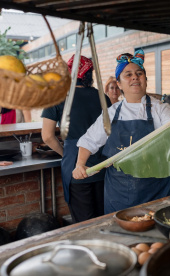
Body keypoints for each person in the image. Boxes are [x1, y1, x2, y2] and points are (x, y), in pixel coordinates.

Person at [72, 49, 170, 214]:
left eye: (139, 73)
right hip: (119, 192)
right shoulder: (111, 113)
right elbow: (89, 141)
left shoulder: (161, 109)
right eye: (128, 74)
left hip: (157, 190)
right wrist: (80, 164)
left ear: (145, 80)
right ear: (119, 84)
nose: (134, 77)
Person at [41, 55, 112, 223]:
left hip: (76, 166)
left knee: (84, 222)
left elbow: (47, 136)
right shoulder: (103, 97)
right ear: (89, 74)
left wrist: (65, 153)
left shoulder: (57, 97)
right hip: (104, 165)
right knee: (105, 217)